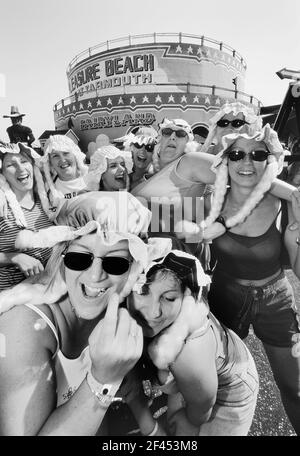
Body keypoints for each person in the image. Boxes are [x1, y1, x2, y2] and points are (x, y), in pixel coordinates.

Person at [0, 191, 172, 436]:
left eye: (115, 263)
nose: (95, 276)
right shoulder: (22, 328)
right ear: (61, 258)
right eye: (80, 258)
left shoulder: (118, 305)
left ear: (135, 269)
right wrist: (104, 381)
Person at [201, 124, 300, 435]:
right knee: (217, 386)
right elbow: (157, 208)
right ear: (225, 160)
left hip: (276, 298)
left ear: (269, 160)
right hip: (225, 298)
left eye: (258, 154)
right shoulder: (207, 202)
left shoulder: (286, 206)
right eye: (237, 154)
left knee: (294, 386)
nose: (246, 162)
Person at [127, 250, 259, 436]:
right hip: (205, 371)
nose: (154, 311)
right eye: (142, 291)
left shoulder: (188, 352)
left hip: (229, 391)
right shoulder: (179, 319)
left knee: (185, 427)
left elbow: (202, 409)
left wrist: (188, 420)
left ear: (186, 296)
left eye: (169, 298)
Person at [0, 142, 54, 290]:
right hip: (11, 298)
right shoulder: (2, 207)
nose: (20, 168)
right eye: (11, 165)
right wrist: (16, 258)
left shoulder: (47, 202)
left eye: (24, 161)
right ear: (2, 174)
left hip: (48, 293)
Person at [40, 135, 88, 207]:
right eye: (55, 156)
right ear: (50, 162)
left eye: (66, 153)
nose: (62, 160)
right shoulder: (47, 189)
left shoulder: (93, 178)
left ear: (75, 155)